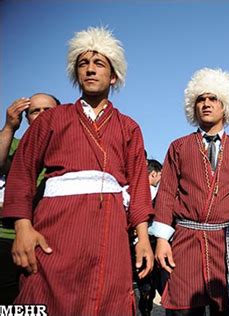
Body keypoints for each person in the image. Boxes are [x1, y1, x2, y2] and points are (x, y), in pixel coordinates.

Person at [1, 26, 154, 315]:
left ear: (113, 76)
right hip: (55, 229)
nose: (90, 70)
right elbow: (21, 172)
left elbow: (138, 184)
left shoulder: (129, 127)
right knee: (43, 296)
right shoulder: (52, 119)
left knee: (108, 299)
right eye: (83, 64)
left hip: (111, 234)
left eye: (99, 64)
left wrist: (143, 239)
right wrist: (22, 227)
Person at [154, 68, 229, 315]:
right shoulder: (178, 146)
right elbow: (167, 193)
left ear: (226, 106)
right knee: (184, 308)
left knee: (227, 307)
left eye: (213, 99)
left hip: (228, 241)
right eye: (201, 99)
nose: (206, 104)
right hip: (186, 240)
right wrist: (161, 239)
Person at [0, 93, 60, 305]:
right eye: (35, 111)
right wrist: (9, 127)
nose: (42, 115)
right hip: (7, 238)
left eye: (48, 110)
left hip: (50, 240)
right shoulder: (16, 144)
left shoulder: (68, 148)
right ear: (26, 119)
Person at [131, 158, 163, 316]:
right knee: (146, 283)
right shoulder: (152, 193)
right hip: (149, 243)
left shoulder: (133, 191)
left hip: (136, 244)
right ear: (153, 174)